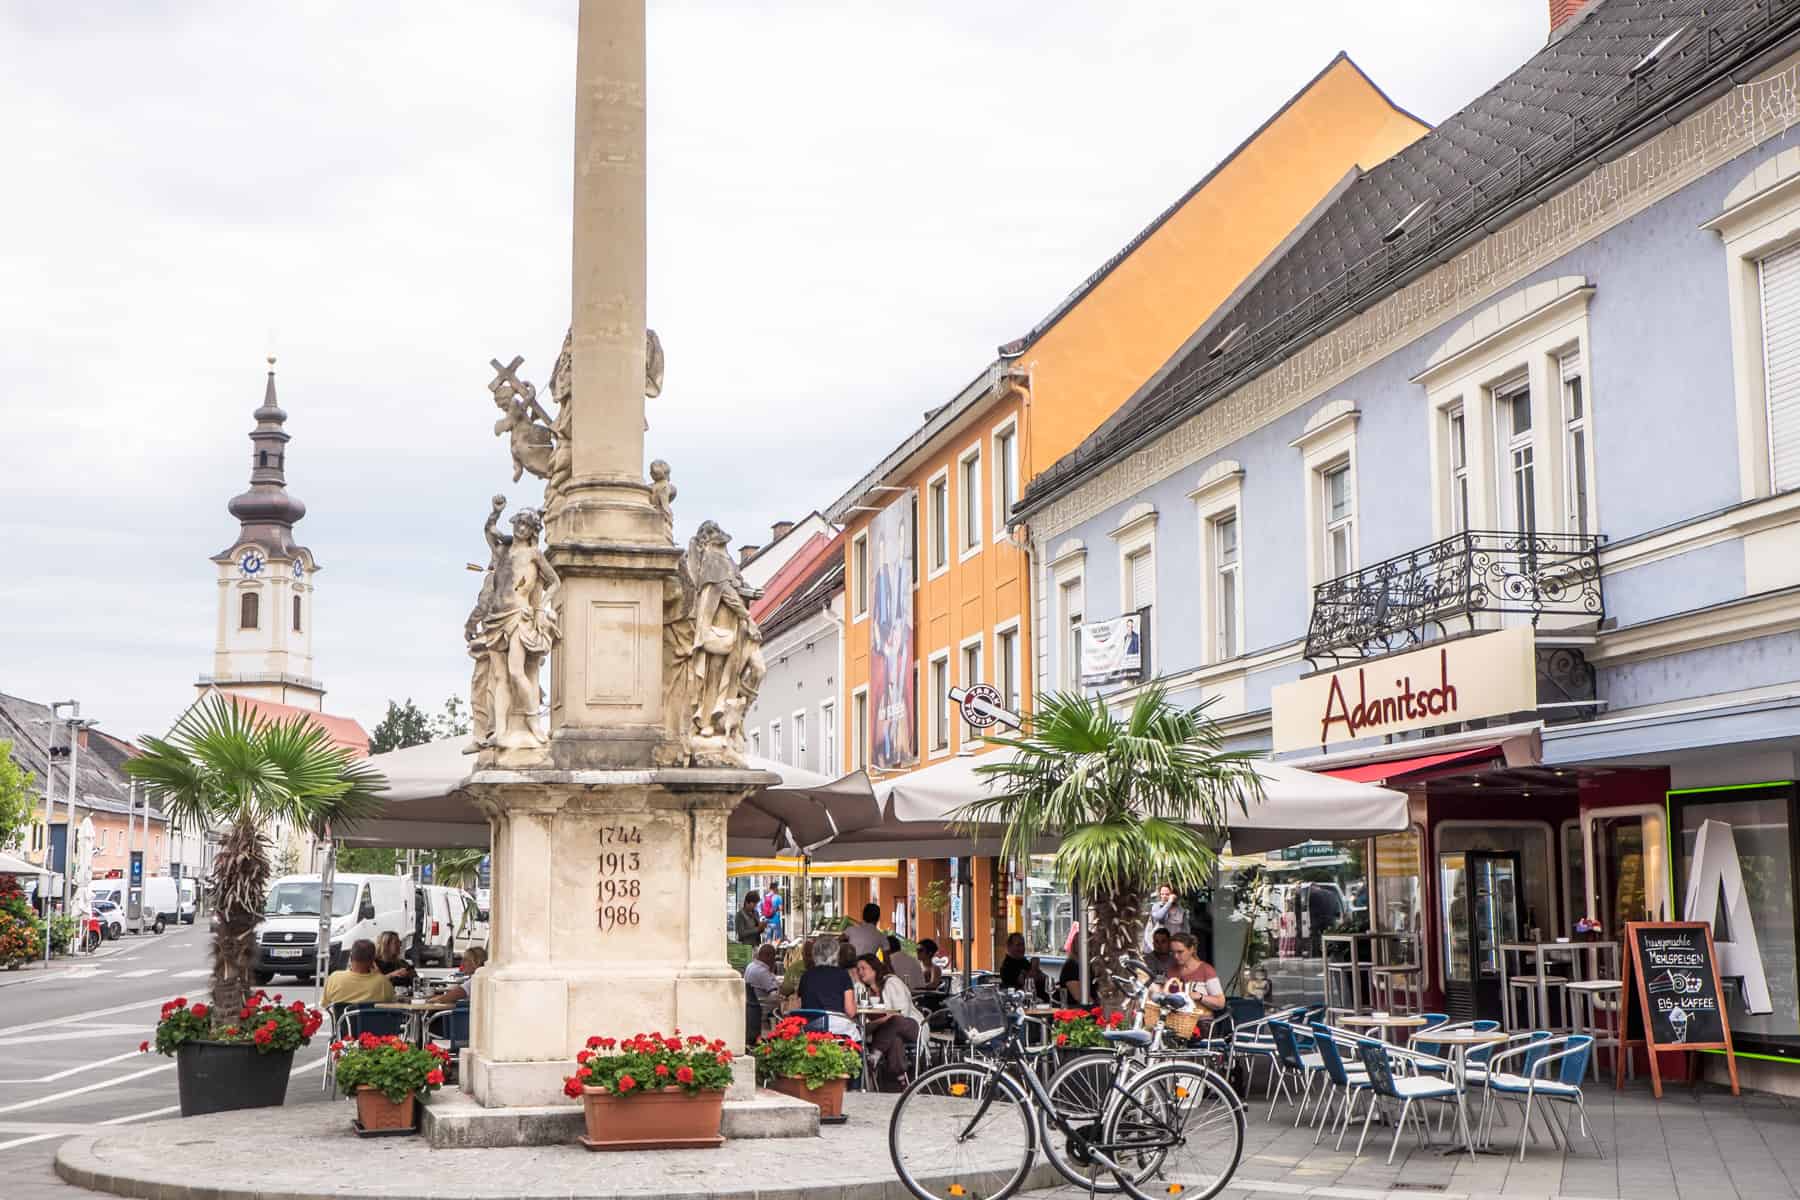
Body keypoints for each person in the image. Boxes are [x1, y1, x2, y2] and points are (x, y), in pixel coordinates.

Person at [852, 953, 921, 1091]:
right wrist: (881, 1021)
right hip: (888, 1032)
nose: (860, 972)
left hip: (911, 1026)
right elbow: (864, 1023)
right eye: (858, 969)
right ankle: (902, 1081)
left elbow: (903, 1012)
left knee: (894, 1021)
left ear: (874, 968)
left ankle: (874, 1056)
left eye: (863, 968)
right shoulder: (864, 991)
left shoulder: (891, 982)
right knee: (895, 1040)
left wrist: (884, 1020)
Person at [1159, 933, 1225, 1028]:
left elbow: (1220, 1003)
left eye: (1180, 952)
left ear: (1191, 949)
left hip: (1202, 1024)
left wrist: (1200, 997)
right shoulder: (1170, 971)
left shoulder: (1206, 970)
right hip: (1175, 1023)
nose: (1176, 956)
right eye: (1172, 952)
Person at [797, 937, 857, 1038]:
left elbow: (799, 1004)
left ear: (814, 954)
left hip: (812, 1030)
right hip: (838, 1030)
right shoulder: (843, 975)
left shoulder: (806, 976)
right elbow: (850, 1012)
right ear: (836, 955)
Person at [321, 938, 397, 1009]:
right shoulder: (383, 983)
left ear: (350, 957)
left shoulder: (334, 978)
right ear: (373, 960)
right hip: (374, 1023)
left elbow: (325, 1005)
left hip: (343, 1023)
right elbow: (392, 1005)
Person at [1145, 884, 1188, 951]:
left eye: (1167, 894)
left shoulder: (1180, 910)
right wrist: (1169, 902)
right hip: (1158, 947)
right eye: (1162, 894)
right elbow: (1159, 917)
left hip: (1174, 946)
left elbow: (1186, 929)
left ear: (1174, 895)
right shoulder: (1157, 907)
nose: (1164, 896)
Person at [745, 943, 781, 1014]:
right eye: (773, 957)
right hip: (764, 1008)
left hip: (753, 1006)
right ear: (768, 956)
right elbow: (774, 993)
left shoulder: (750, 965)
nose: (774, 960)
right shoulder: (762, 971)